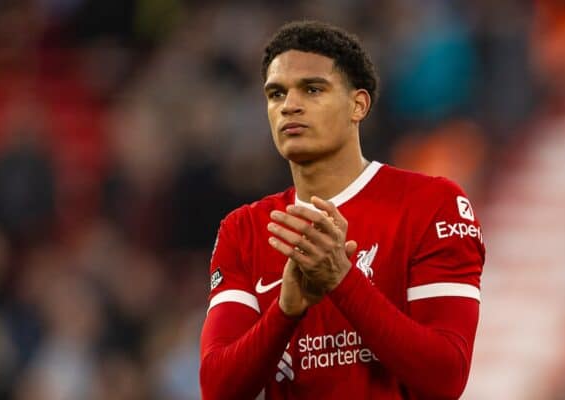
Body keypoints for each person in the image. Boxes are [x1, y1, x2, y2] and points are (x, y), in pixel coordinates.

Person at [199, 20, 485, 400]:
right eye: (276, 94)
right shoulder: (245, 229)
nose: (290, 106)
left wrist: (343, 281)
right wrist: (286, 311)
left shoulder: (432, 205)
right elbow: (218, 389)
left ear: (358, 105)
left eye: (312, 89)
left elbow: (445, 376)